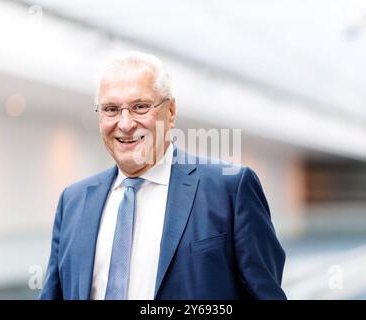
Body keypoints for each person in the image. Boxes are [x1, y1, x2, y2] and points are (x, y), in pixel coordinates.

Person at [39, 51, 287, 300]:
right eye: (111, 109)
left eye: (140, 107)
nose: (125, 124)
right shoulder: (73, 201)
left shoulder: (229, 189)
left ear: (170, 111)